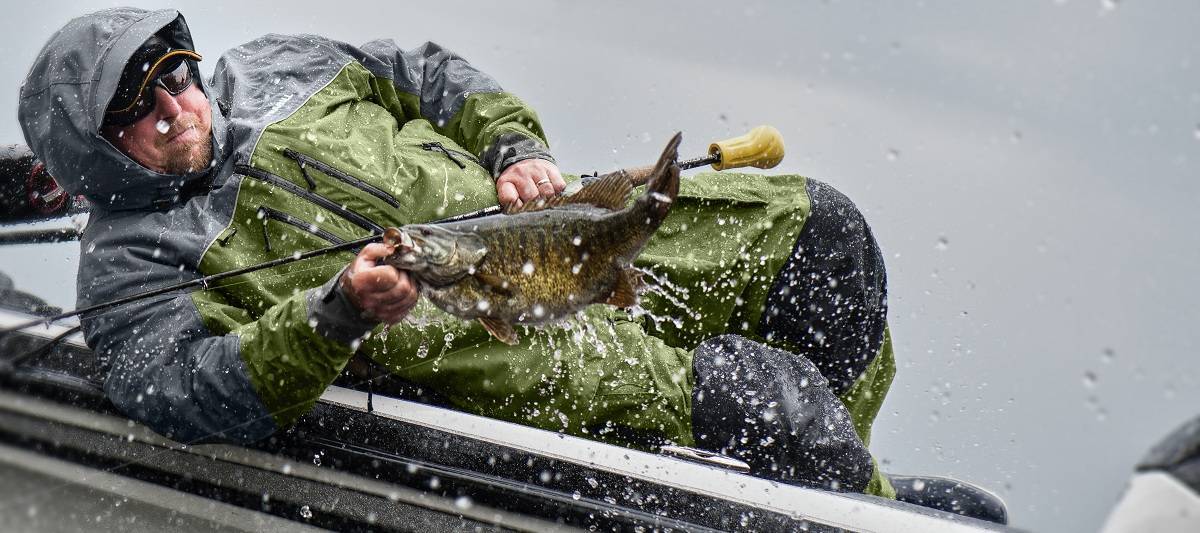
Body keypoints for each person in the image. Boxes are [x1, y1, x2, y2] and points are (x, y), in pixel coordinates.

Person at [19, 8, 896, 497]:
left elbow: (425, 74)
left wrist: (515, 147)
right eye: (136, 107)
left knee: (823, 241)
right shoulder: (128, 268)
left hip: (564, 235)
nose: (176, 105)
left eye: (172, 70)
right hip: (538, 363)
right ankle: (853, 492)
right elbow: (185, 390)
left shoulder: (278, 64)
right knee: (772, 412)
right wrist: (337, 313)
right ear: (92, 151)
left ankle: (867, 484)